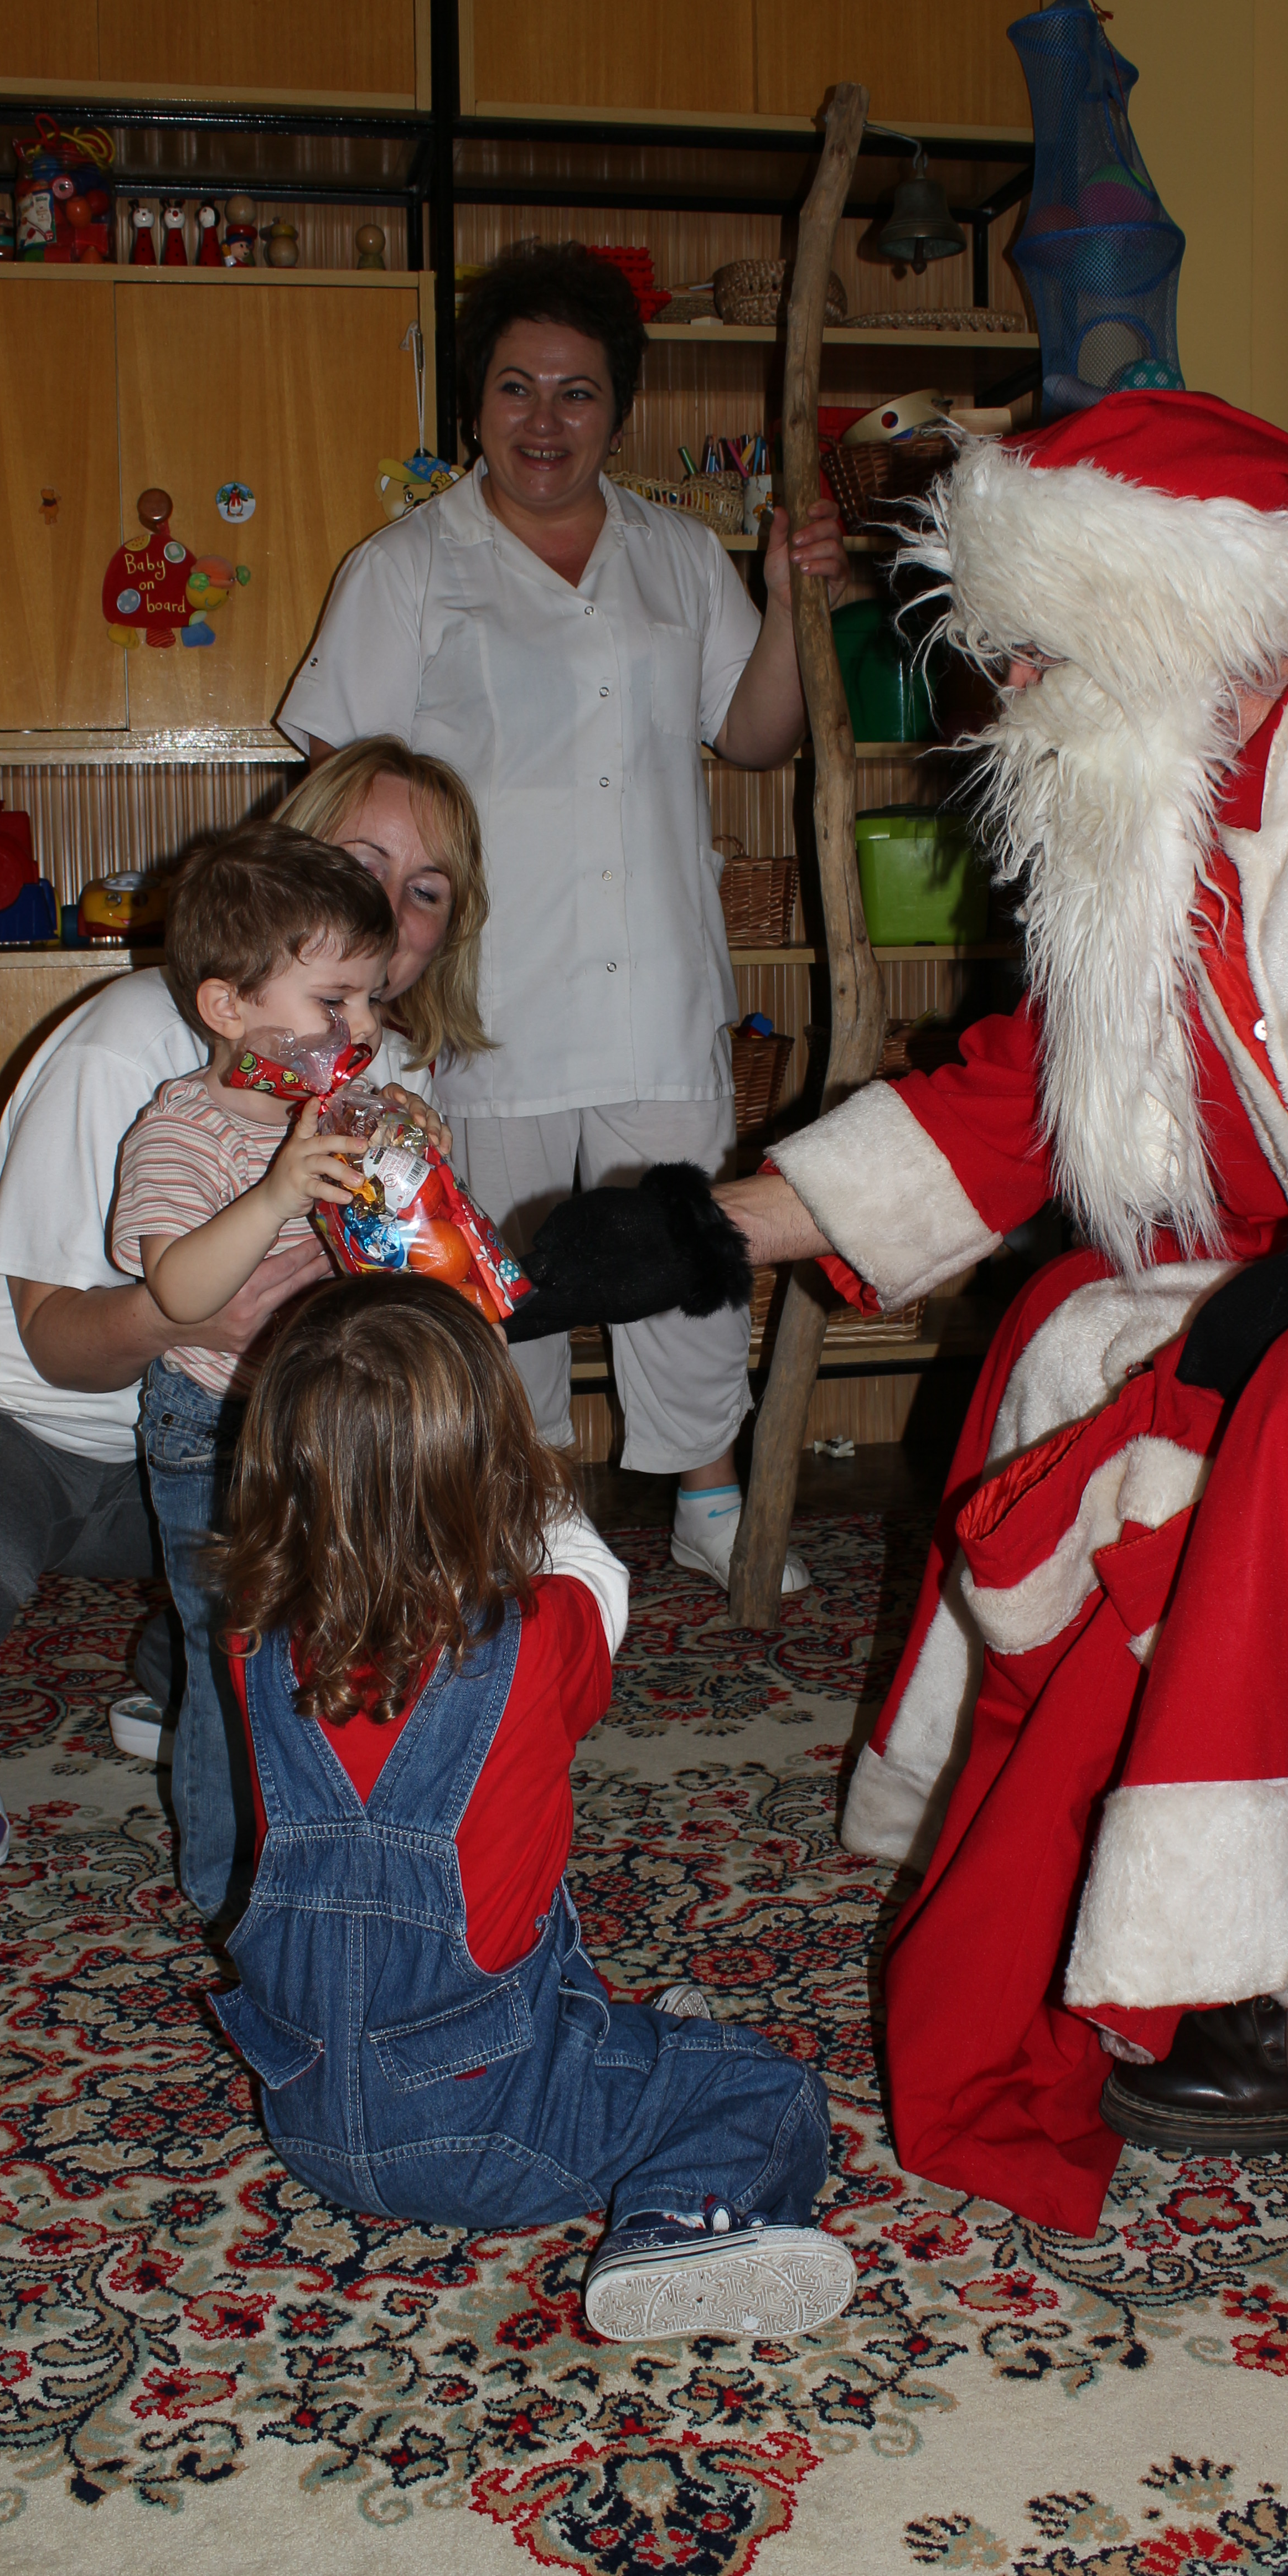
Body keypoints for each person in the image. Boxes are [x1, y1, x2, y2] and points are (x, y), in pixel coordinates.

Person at [706, 390, 1288, 2236]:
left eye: (1033, 642)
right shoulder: (1177, 791)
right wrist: (695, 1233)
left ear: (1174, 599)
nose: (1004, 689)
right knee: (1078, 1322)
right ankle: (1119, 1835)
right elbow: (1032, 1089)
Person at [0, 741, 485, 1896]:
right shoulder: (141, 1045)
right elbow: (59, 1342)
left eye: (429, 889)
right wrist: (206, 1315)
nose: (394, 907)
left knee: (341, 1529)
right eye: (367, 863)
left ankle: (181, 1679)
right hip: (9, 1402)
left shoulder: (382, 1067)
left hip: (219, 1419)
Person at [277, 242, 850, 1599]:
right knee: (499, 1272)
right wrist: (369, 961)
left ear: (619, 409)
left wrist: (787, 599)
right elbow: (340, 781)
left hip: (655, 973)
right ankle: (532, 1512)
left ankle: (710, 1497)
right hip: (488, 988)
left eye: (578, 392)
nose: (545, 420)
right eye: (516, 388)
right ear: (476, 403)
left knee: (686, 1245)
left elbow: (754, 735)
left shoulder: (677, 555)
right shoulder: (411, 565)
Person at [212, 1272, 857, 2342]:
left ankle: (629, 2048)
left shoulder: (252, 1637)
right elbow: (593, 1573)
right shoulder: (541, 1636)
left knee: (566, 1988)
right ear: (493, 1457)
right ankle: (672, 2221)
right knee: (766, 2086)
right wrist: (529, 1480)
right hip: (493, 2133)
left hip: (309, 2120)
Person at [108, 825, 402, 1923]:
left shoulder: (330, 1111)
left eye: (371, 998)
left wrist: (405, 1164)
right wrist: (280, 1190)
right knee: (228, 1654)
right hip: (217, 1431)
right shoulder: (180, 1131)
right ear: (227, 1007)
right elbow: (180, 1291)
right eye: (333, 1001)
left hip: (331, 1415)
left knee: (342, 1632)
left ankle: (345, 1838)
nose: (361, 1027)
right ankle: (229, 1889)